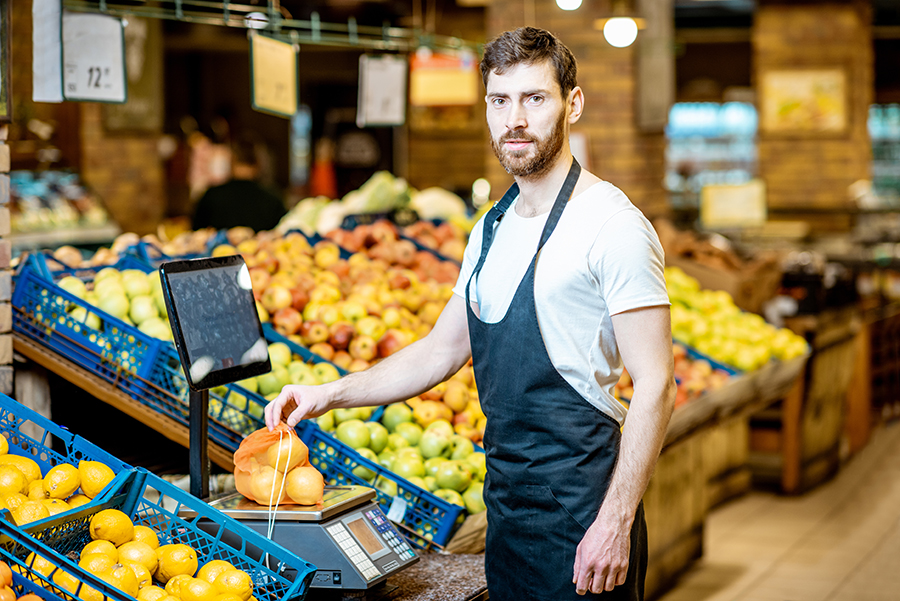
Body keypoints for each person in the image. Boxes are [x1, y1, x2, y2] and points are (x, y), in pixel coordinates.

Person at [265, 27, 675, 600]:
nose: (515, 119)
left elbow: (657, 384)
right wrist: (329, 394)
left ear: (572, 103)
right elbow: (441, 351)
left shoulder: (613, 227)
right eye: (500, 100)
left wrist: (616, 523)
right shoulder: (490, 229)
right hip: (506, 518)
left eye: (535, 98)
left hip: (584, 518)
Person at [192, 136, 286, 232]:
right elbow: (283, 235)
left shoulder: (211, 196)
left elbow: (196, 235)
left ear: (231, 160)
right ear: (258, 162)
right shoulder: (272, 198)